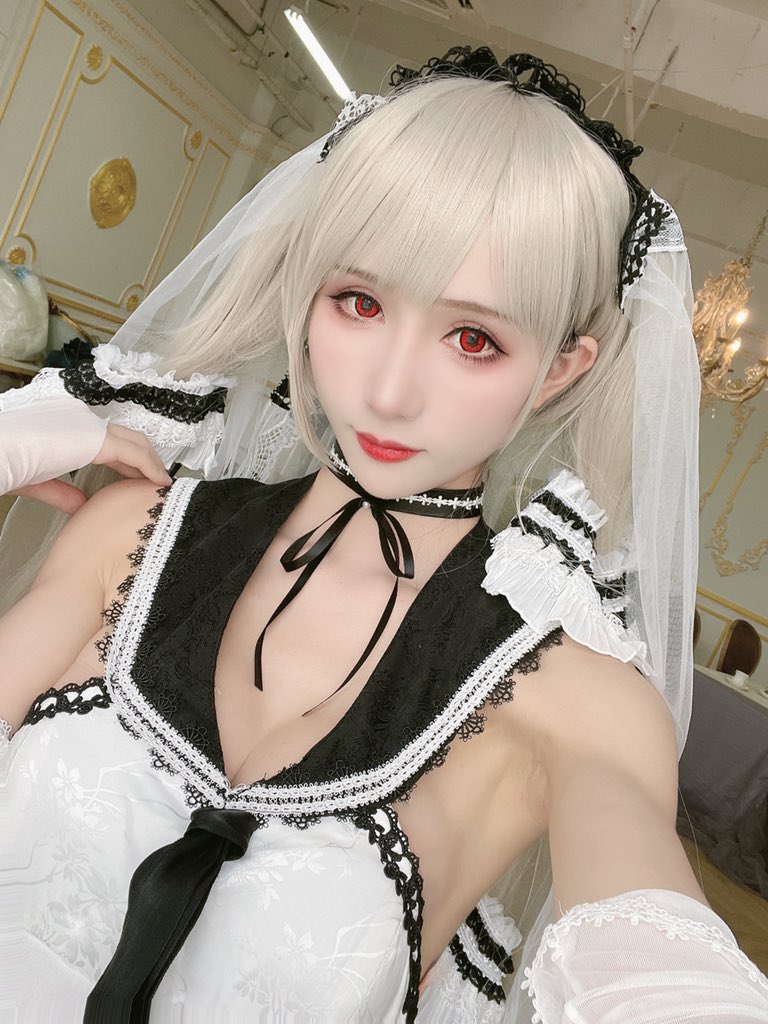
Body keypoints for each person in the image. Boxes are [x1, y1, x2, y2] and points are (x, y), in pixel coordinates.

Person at [1, 48, 767, 1023]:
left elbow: (664, 978)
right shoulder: (129, 535)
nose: (390, 390)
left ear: (560, 369)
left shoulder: (582, 700)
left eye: (474, 338)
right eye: (359, 302)